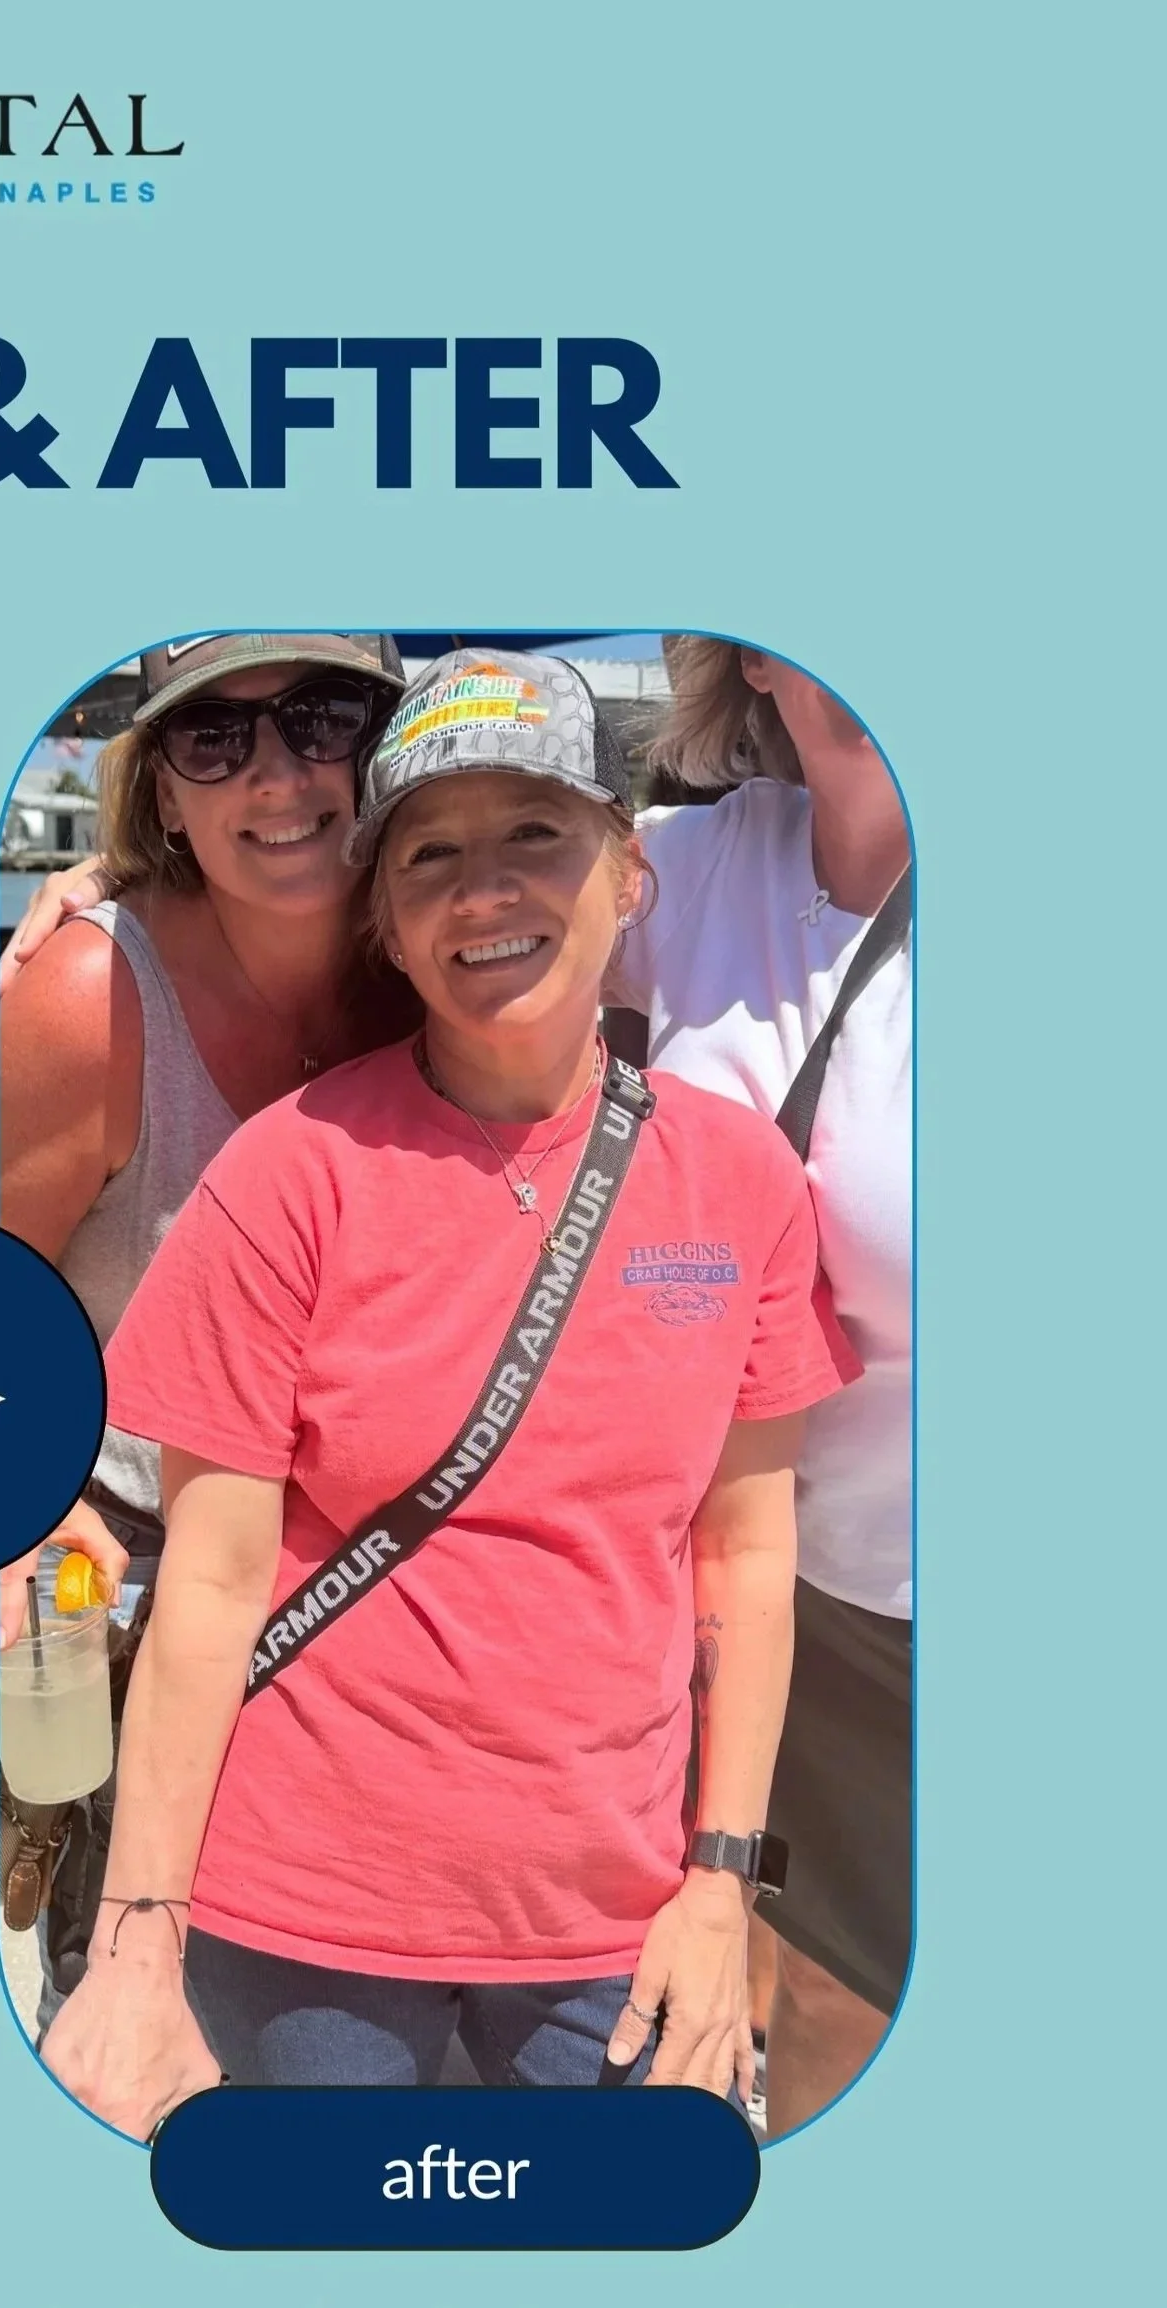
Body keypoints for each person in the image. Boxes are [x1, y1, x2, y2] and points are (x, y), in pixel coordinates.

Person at [42, 652, 856, 2138]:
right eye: (431, 856)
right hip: (298, 1915)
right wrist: (139, 1944)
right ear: (391, 931)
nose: (486, 893)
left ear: (630, 873)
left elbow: (746, 1552)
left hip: (612, 1920)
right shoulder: (287, 1174)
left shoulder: (740, 1185)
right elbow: (214, 1587)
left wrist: (721, 1882)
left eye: (537, 835)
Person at [0, 635, 412, 2011]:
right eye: (213, 740)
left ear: (388, 742)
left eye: (322, 718)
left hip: (380, 1616)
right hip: (138, 1602)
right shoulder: (87, 998)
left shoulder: (458, 963)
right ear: (160, 790)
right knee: (134, 2022)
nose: (277, 773)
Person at [623, 639, 912, 2134]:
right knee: (748, 1980)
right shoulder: (679, 867)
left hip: (906, 1603)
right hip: (708, 1578)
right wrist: (124, 893)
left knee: (868, 1991)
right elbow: (407, 919)